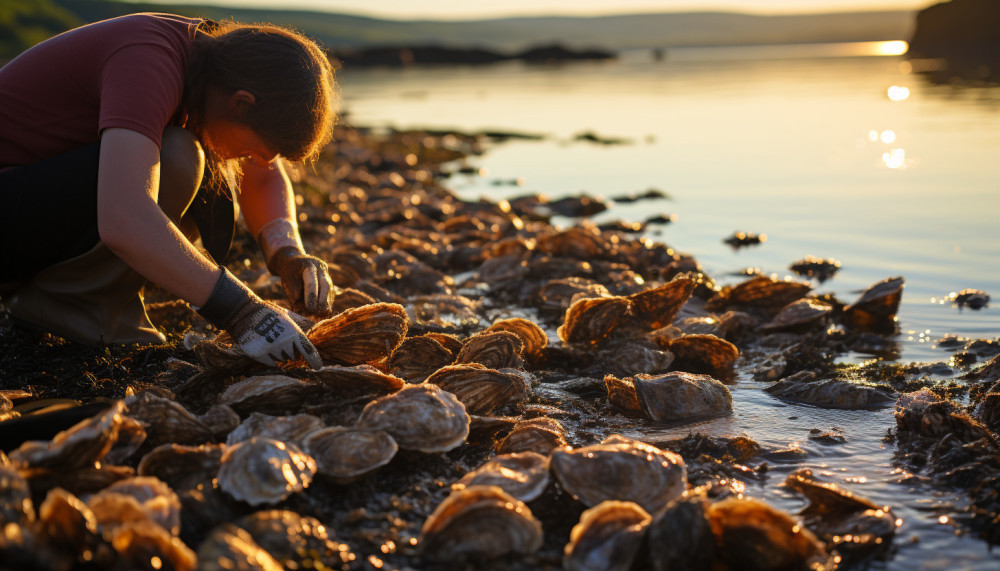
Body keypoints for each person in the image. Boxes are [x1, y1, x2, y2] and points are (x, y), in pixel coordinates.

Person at [0, 13, 337, 369]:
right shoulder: (148, 60)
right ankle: (67, 306)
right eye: (257, 150)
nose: (258, 161)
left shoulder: (214, 65)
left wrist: (287, 253)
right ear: (241, 103)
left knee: (205, 167)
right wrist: (241, 310)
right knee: (178, 156)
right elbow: (124, 216)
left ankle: (76, 294)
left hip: (30, 201)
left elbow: (264, 176)